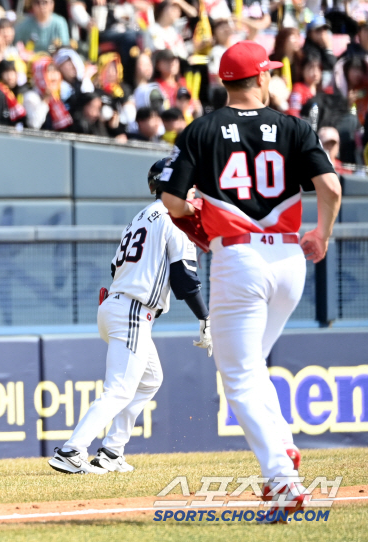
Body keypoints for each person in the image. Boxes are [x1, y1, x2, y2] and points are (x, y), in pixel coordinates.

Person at [159, 41, 341, 518]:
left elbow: (173, 202)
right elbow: (331, 187)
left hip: (239, 259)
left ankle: (282, 478)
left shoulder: (201, 130)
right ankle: (283, 443)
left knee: (237, 375)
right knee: (252, 362)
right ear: (261, 78)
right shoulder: (295, 126)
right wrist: (321, 233)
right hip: (288, 260)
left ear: (224, 82)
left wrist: (196, 221)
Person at [48, 159, 212, 475]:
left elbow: (115, 268)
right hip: (134, 310)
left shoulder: (140, 217)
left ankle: (111, 451)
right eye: (188, 185)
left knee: (149, 379)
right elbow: (185, 279)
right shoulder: (172, 218)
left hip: (117, 306)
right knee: (120, 388)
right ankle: (71, 452)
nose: (191, 191)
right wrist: (205, 318)